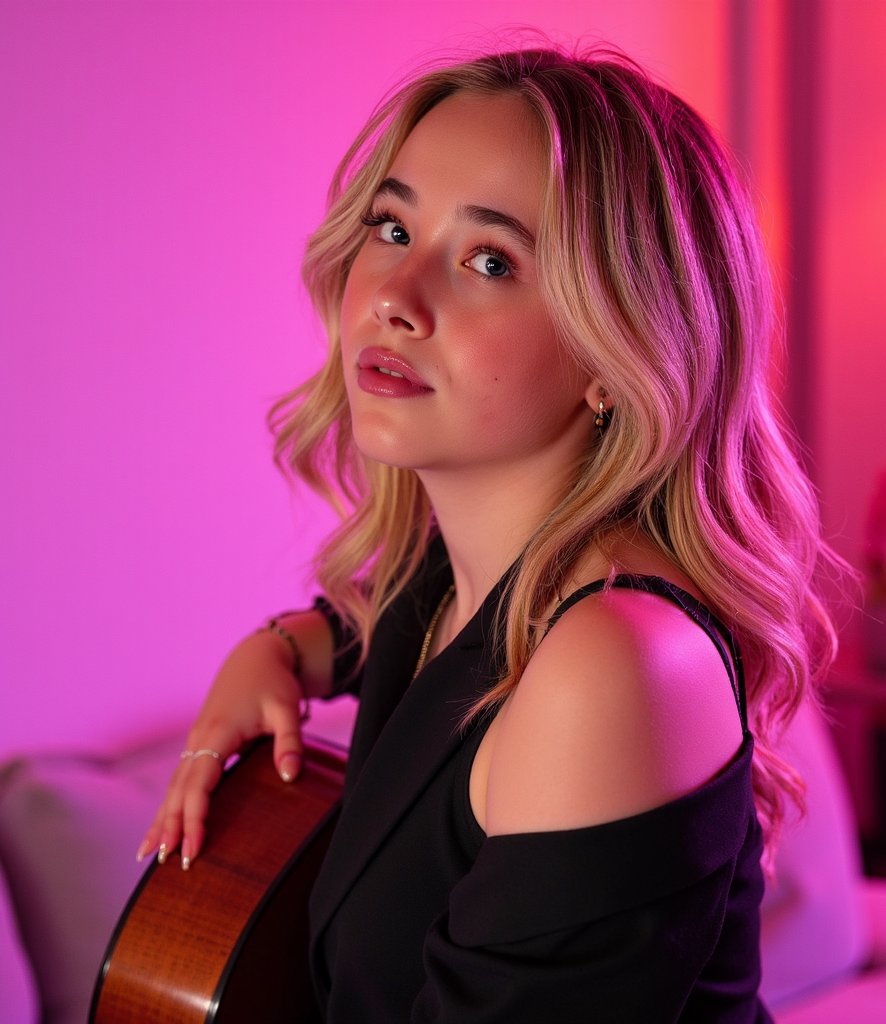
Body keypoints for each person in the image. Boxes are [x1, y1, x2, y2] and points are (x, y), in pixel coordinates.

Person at [137, 44, 837, 1022]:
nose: (393, 295)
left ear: (615, 348)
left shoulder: (614, 659)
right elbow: (384, 625)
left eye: (488, 260)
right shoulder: (456, 578)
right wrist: (281, 648)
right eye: (391, 226)